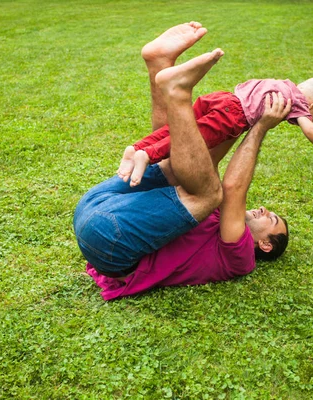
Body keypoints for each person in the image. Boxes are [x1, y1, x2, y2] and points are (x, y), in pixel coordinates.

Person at [73, 22, 290, 300]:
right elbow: (193, 159)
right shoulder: (207, 220)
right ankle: (160, 66)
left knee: (211, 192)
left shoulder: (241, 257)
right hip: (99, 215)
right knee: (182, 169)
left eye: (272, 219)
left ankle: (175, 90)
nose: (264, 209)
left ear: (266, 246)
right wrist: (242, 116)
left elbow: (233, 188)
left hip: (108, 236)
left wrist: (260, 127)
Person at [118, 54, 313, 188]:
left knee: (178, 127)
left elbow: (304, 122)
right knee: (191, 139)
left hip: (222, 97)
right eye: (312, 115)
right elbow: (309, 130)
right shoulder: (299, 102)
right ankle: (147, 155)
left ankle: (137, 148)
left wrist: (308, 121)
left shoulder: (285, 85)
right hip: (232, 115)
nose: (306, 119)